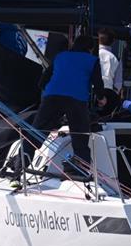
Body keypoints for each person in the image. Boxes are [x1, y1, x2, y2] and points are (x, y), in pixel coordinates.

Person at [11, 35, 105, 180]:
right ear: (90, 48)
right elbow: (98, 85)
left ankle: (19, 167)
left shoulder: (61, 56)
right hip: (77, 100)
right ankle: (80, 171)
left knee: (37, 133)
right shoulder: (92, 60)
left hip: (52, 97)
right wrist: (101, 99)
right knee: (80, 136)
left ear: (74, 44)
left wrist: (47, 93)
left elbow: (42, 81)